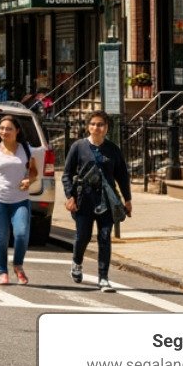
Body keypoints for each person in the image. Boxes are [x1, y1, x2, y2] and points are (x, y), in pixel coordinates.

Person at [61, 110, 132, 291]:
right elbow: (67, 174)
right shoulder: (78, 147)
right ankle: (76, 263)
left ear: (106, 128)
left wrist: (127, 199)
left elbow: (122, 176)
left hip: (107, 200)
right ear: (88, 127)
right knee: (83, 236)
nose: (96, 128)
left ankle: (103, 278)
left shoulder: (113, 149)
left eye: (100, 124)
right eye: (93, 124)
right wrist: (70, 196)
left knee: (104, 237)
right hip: (84, 199)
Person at [0, 114, 40, 286]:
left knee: (21, 233)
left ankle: (18, 264)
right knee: (2, 237)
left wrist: (30, 180)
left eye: (9, 128)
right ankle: (2, 272)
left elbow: (34, 171)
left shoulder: (26, 149)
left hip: (20, 199)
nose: (4, 131)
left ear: (17, 131)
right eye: (2, 128)